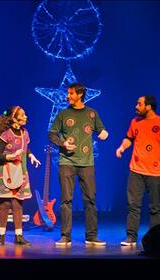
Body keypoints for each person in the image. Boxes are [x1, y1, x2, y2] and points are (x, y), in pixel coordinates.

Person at [49, 83, 108, 246]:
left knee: (90, 199)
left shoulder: (92, 113)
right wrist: (62, 143)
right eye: (68, 93)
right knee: (66, 200)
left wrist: (104, 134)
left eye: (71, 93)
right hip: (66, 162)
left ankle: (91, 236)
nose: (68, 96)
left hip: (87, 163)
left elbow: (102, 130)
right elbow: (52, 134)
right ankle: (65, 236)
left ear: (80, 94)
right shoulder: (62, 114)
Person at [116, 95, 160, 246]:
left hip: (155, 173)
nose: (136, 106)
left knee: (155, 208)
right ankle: (131, 238)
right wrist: (122, 147)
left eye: (139, 104)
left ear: (149, 107)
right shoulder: (135, 122)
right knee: (133, 206)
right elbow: (129, 138)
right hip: (136, 170)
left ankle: (155, 239)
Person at [0, 106, 41, 246]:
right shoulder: (6, 135)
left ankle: (18, 236)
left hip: (20, 172)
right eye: (23, 115)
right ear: (14, 118)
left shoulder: (25, 133)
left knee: (17, 204)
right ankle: (2, 237)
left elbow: (25, 148)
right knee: (4, 204)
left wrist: (31, 156)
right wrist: (11, 156)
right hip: (6, 172)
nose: (26, 117)